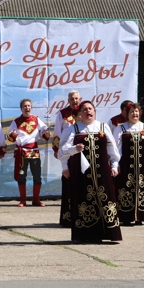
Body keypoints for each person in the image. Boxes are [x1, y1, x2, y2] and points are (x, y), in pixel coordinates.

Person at [60, 101, 122, 243]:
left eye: (90, 108)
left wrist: (114, 164)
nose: (88, 111)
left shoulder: (103, 127)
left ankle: (108, 233)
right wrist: (73, 150)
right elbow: (61, 152)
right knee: (84, 199)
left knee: (104, 198)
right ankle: (85, 234)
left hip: (102, 171)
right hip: (81, 173)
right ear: (80, 113)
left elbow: (112, 149)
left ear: (94, 111)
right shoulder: (72, 129)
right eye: (84, 109)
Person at [113, 102, 144, 224]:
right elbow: (115, 148)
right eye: (132, 112)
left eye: (136, 111)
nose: (135, 114)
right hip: (126, 166)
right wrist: (116, 164)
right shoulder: (121, 128)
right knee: (125, 188)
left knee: (142, 188)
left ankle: (141, 216)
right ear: (127, 114)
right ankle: (126, 217)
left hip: (142, 165)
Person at [7, 98, 50, 207]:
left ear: (31, 107)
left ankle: (36, 199)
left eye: (29, 106)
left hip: (34, 152)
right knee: (22, 175)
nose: (27, 108)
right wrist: (12, 136)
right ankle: (23, 200)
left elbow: (44, 131)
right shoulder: (16, 121)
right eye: (25, 106)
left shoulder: (36, 119)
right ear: (21, 108)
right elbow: (9, 136)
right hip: (22, 153)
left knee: (37, 176)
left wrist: (46, 133)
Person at [53, 90, 82, 226]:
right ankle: (68, 216)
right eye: (72, 99)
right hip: (68, 151)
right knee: (68, 180)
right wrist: (57, 149)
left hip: (83, 154)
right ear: (68, 100)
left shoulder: (84, 111)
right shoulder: (62, 114)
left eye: (76, 98)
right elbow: (58, 133)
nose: (74, 101)